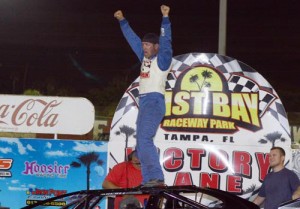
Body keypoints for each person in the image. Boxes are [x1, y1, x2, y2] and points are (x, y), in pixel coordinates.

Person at [114, 5, 172, 187]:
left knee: (144, 140)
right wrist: (122, 21)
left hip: (154, 101)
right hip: (145, 102)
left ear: (156, 47)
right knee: (141, 143)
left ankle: (157, 177)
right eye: (144, 45)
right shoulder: (145, 59)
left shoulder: (162, 60)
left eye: (148, 45)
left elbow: (166, 41)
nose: (144, 47)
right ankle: (149, 179)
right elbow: (132, 40)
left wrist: (165, 18)